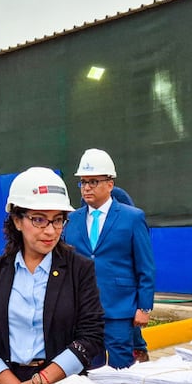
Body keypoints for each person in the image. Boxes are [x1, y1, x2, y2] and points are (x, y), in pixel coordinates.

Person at [0, 167, 105, 384]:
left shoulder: (79, 270)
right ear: (17, 220)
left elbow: (91, 336)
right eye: (39, 220)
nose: (50, 231)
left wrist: (39, 383)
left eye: (58, 220)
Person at [64, 148, 156, 368]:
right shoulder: (71, 220)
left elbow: (145, 266)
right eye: (83, 182)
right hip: (83, 311)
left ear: (110, 184)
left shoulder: (132, 218)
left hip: (120, 309)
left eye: (93, 182)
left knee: (121, 371)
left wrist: (144, 308)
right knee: (89, 369)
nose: (86, 187)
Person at [110, 185, 152, 362]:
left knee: (128, 322)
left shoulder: (128, 214)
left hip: (125, 289)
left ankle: (139, 352)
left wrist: (144, 306)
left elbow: (145, 266)